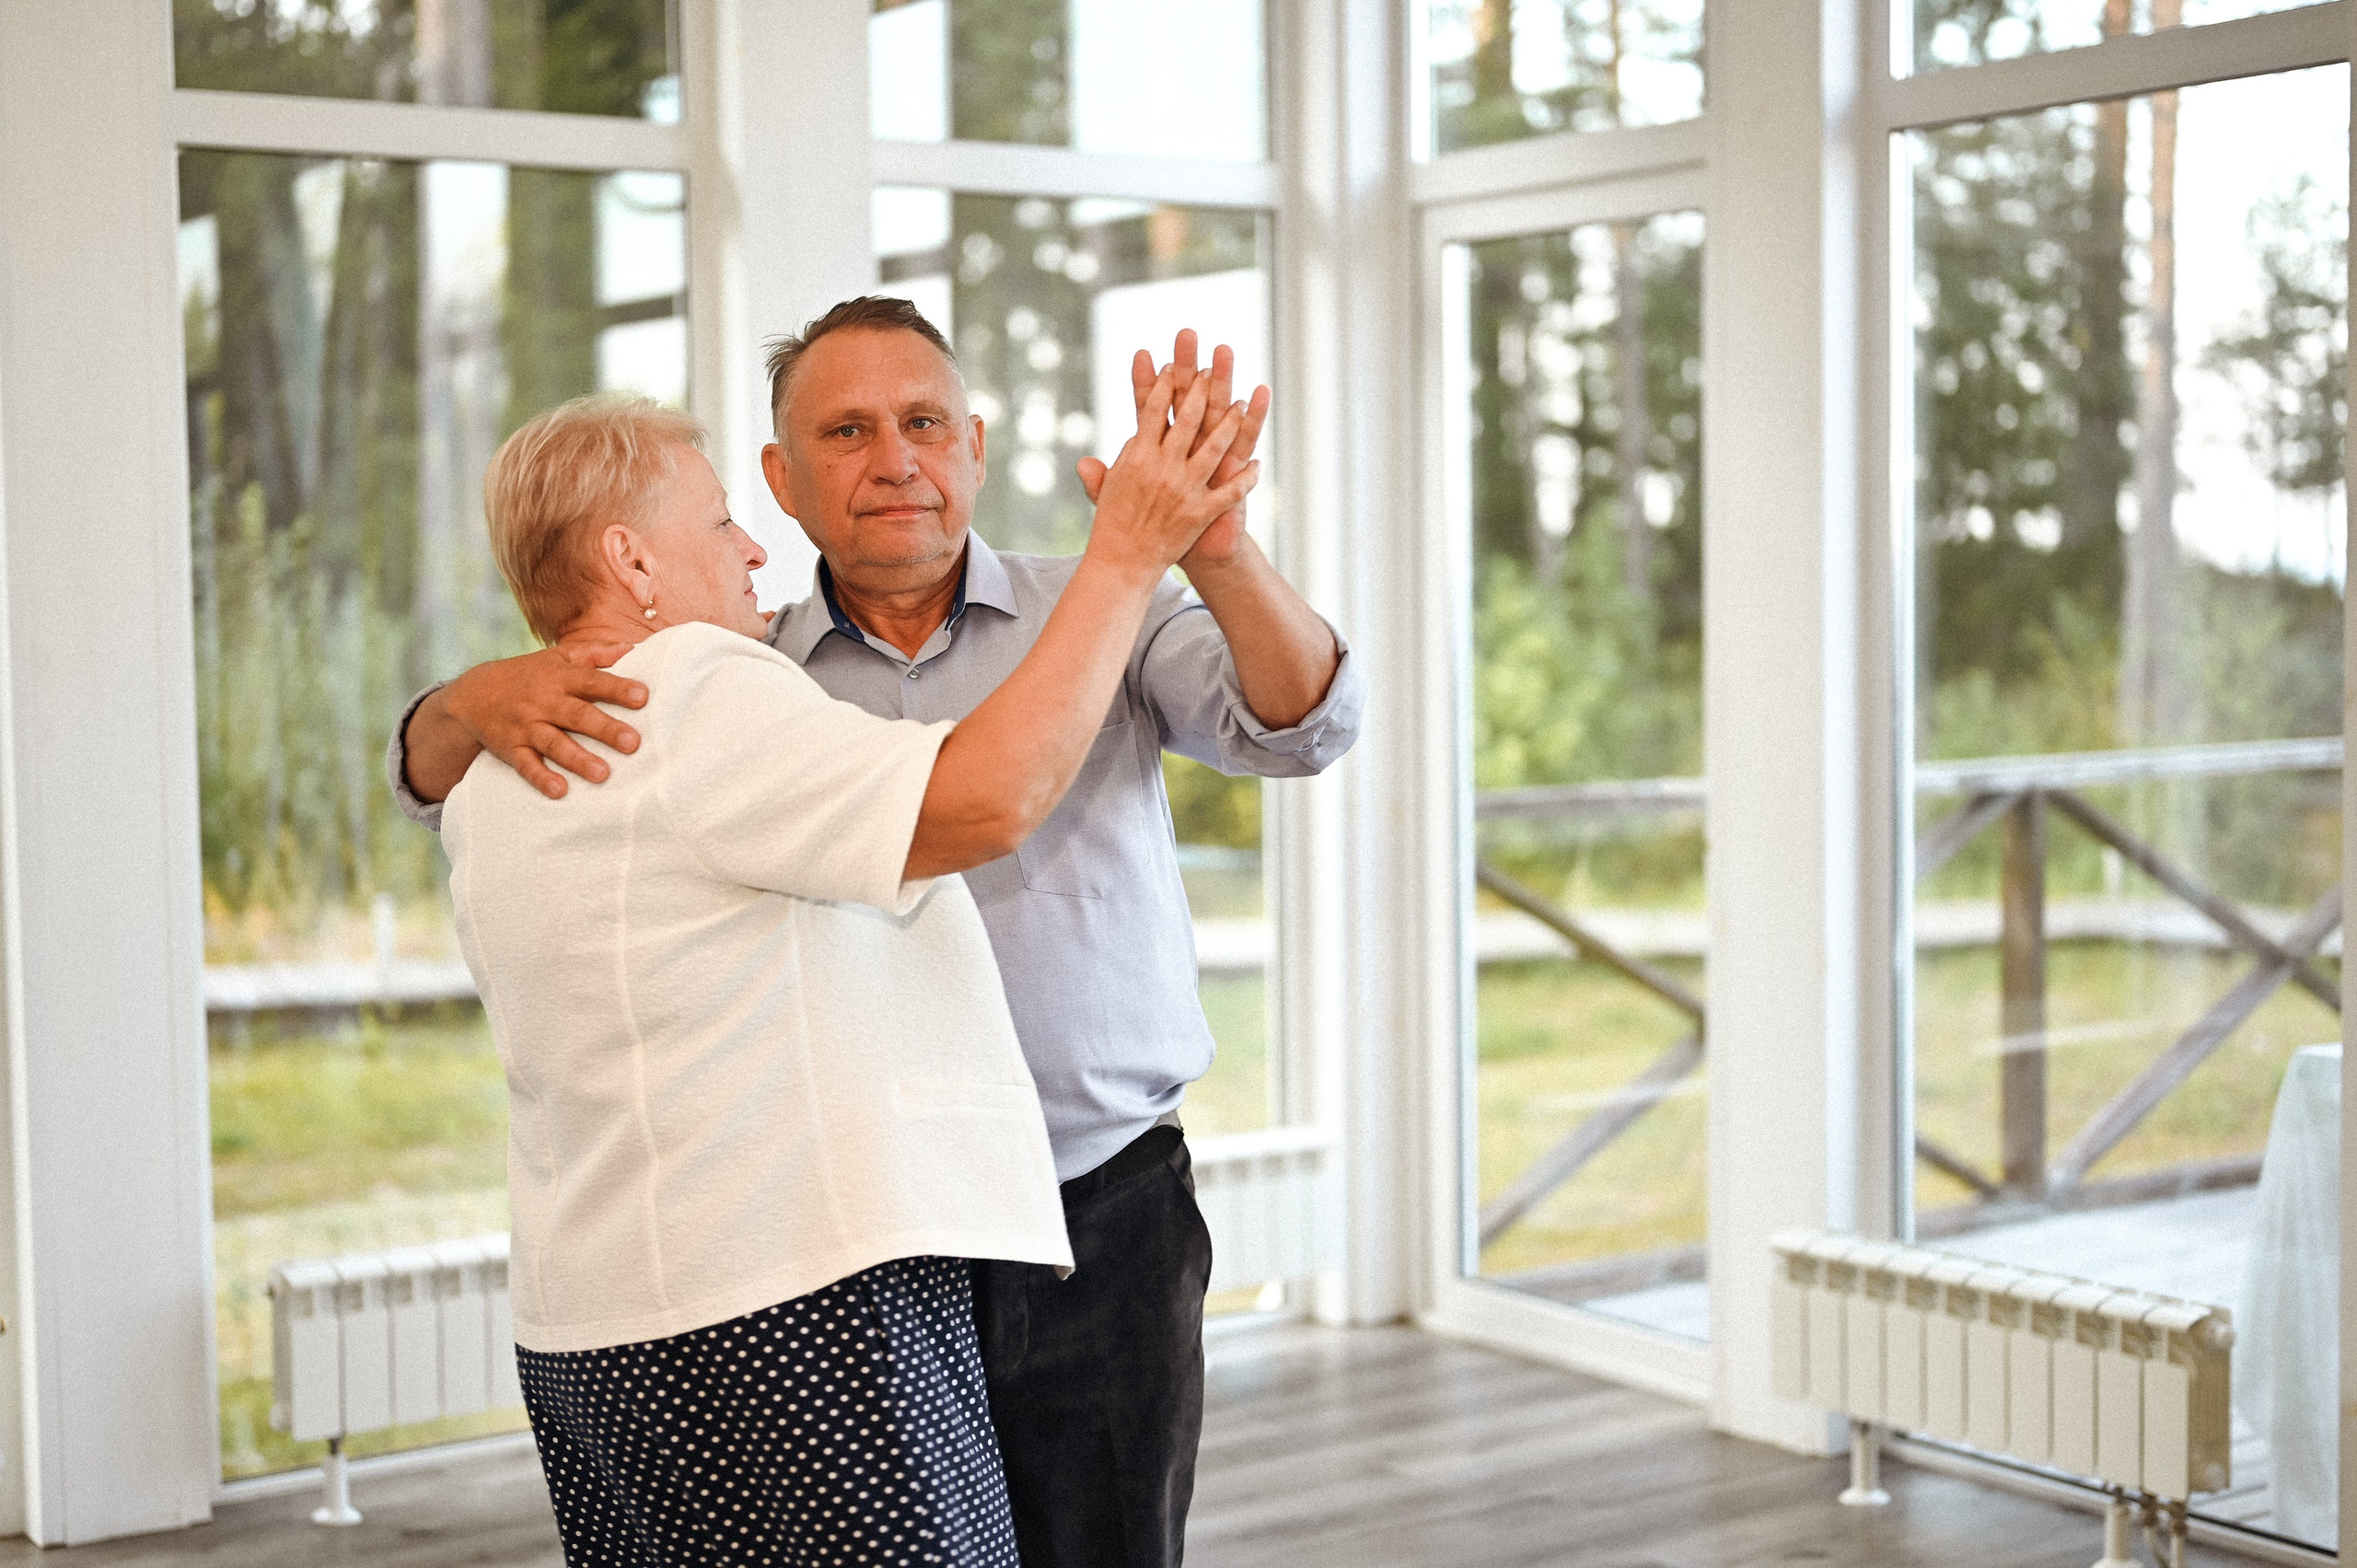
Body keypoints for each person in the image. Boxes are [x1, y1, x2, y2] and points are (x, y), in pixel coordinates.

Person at [392, 297, 1365, 1567]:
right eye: (847, 432)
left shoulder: (1093, 614)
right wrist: (467, 698)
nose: (895, 459)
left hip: (1094, 1210)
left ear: (973, 446)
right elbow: (977, 799)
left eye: (924, 423)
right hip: (871, 1246)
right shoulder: (735, 671)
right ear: (782, 480)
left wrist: (1213, 556)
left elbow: (1304, 724)